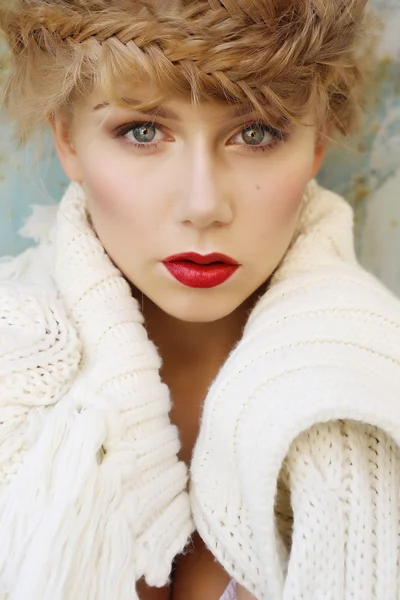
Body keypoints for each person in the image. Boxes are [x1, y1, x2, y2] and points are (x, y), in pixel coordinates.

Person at [0, 0, 399, 599]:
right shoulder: (14, 369)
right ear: (67, 140)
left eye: (256, 132)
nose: (203, 204)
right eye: (142, 132)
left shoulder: (381, 396)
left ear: (318, 142)